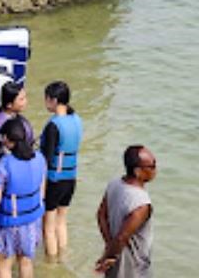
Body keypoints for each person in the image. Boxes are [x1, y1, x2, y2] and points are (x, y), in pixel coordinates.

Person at [0, 118, 47, 278]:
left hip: (9, 222)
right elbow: (42, 190)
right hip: (32, 220)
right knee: (26, 262)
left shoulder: (4, 164)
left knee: (4, 266)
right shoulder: (40, 158)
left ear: (7, 139)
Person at [95, 146, 156, 277]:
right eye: (152, 166)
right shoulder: (142, 204)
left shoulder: (114, 183)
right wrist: (110, 255)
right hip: (132, 266)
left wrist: (108, 248)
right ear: (138, 171)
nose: (155, 170)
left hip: (113, 258)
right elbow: (122, 237)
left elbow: (101, 215)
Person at [40, 80, 83, 257]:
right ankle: (62, 257)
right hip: (70, 178)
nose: (45, 102)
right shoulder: (76, 119)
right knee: (61, 222)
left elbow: (46, 160)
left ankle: (51, 265)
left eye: (47, 99)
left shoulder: (53, 126)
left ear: (54, 100)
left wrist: (41, 189)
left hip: (54, 180)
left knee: (48, 228)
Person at [0, 82, 36, 165]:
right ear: (9, 105)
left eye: (25, 98)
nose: (25, 102)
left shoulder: (14, 116)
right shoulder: (1, 124)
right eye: (21, 99)